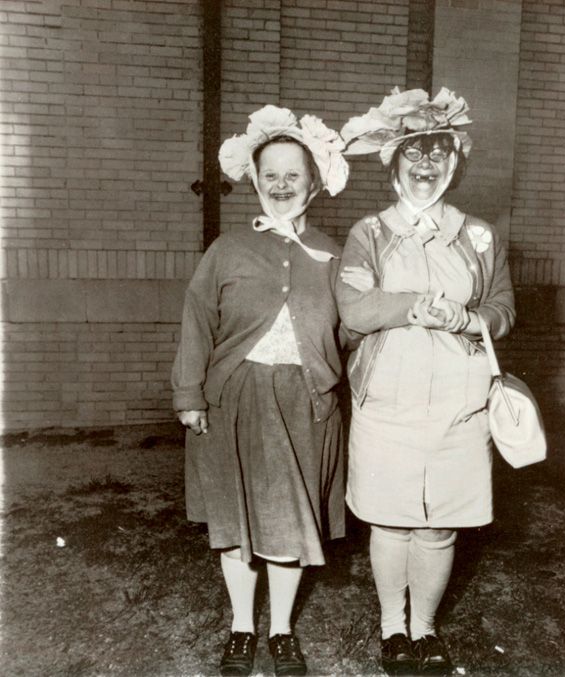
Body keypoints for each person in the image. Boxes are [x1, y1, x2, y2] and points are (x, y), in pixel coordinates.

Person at [336, 87, 515, 675]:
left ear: (454, 164)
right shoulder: (369, 233)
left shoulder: (480, 236)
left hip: (461, 406)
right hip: (387, 400)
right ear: (393, 164)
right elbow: (354, 308)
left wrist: (468, 318)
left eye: (439, 152)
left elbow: (503, 310)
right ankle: (393, 628)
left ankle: (426, 628)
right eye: (413, 151)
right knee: (391, 520)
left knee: (439, 527)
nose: (425, 163)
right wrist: (412, 306)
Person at [171, 105, 350, 677]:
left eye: (293, 174)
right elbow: (197, 321)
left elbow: (353, 333)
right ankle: (243, 627)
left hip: (305, 402)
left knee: (289, 523)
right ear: (255, 181)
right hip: (234, 399)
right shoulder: (226, 249)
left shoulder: (335, 255)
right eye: (270, 174)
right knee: (236, 521)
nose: (281, 185)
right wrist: (190, 395)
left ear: (314, 183)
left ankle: (282, 631)